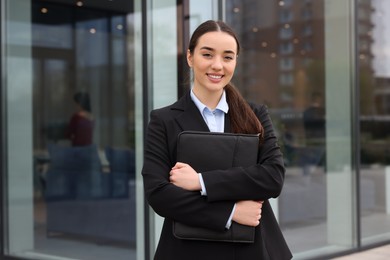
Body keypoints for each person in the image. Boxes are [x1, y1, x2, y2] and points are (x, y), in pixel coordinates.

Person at [142, 20, 292, 260]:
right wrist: (231, 211)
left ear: (235, 62)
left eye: (228, 57)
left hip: (250, 249)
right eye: (207, 54)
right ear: (190, 57)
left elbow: (273, 177)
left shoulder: (256, 115)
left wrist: (200, 181)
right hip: (188, 250)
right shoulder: (163, 120)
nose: (217, 65)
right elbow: (158, 194)